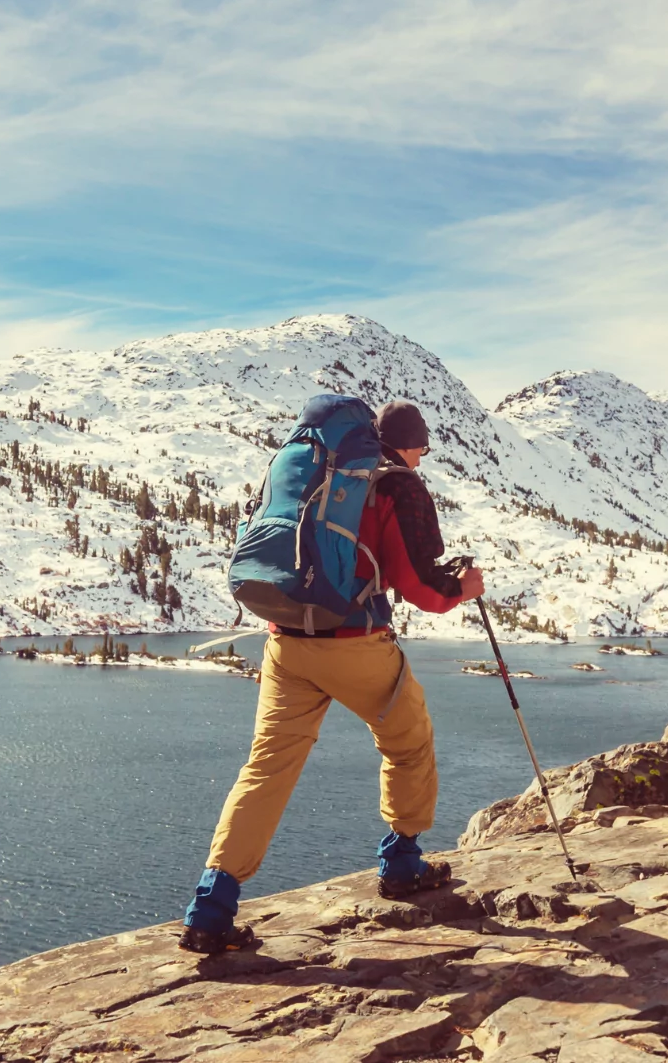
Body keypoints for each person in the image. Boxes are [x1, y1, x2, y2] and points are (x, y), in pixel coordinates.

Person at [179, 399, 485, 954]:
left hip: (287, 642)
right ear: (405, 444)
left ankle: (210, 908)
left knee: (268, 766)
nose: (422, 457)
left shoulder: (308, 470)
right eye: (421, 447)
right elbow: (423, 590)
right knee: (408, 741)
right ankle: (401, 864)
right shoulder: (397, 486)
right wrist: (466, 587)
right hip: (354, 644)